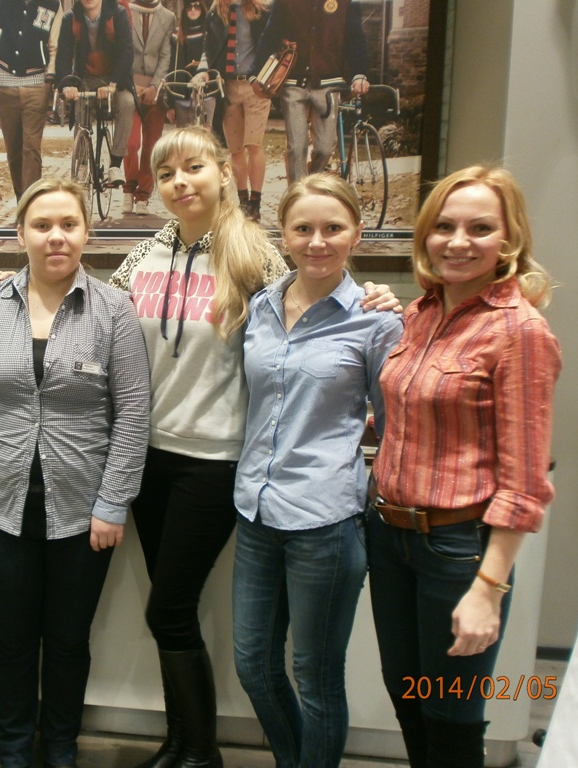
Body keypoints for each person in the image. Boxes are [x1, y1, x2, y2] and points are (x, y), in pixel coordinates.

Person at [0, 126, 396, 768]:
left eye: (193, 167)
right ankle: (180, 742)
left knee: (169, 608)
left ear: (223, 171)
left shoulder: (255, 256)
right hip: (147, 457)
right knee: (171, 609)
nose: (180, 183)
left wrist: (374, 296)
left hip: (215, 460)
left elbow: (315, 294)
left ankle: (199, 750)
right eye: (166, 172)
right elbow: (84, 306)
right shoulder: (144, 256)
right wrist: (4, 287)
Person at [0, 178, 150, 768]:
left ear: (86, 233)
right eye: (41, 225)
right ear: (21, 235)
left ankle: (60, 747)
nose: (55, 236)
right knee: (11, 643)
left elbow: (133, 413)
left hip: (84, 511)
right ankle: (13, 749)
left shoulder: (113, 309)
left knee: (66, 642)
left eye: (68, 224)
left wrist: (113, 503)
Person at [367, 165, 561, 768]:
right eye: (444, 226)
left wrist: (488, 589)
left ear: (509, 239)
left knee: (450, 719)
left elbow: (525, 483)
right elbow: (408, 415)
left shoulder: (520, 331)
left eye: (479, 228)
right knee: (408, 698)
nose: (458, 241)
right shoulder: (421, 313)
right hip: (389, 536)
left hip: (457, 549)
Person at [232, 174, 403, 767]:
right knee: (253, 664)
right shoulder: (261, 307)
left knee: (316, 677)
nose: (317, 241)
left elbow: (395, 426)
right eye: (303, 228)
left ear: (356, 233)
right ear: (283, 234)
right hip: (256, 510)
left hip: (325, 523)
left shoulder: (377, 320)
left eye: (333, 228)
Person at [250, 0, 370, 183]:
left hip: (329, 85)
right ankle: (297, 194)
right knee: (296, 148)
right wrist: (254, 73)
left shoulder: (346, 3)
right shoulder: (285, 3)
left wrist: (359, 73)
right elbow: (269, 36)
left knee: (325, 148)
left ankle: (311, 184)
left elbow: (355, 39)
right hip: (293, 84)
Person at [55, 0, 136, 188]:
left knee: (127, 102)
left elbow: (126, 52)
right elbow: (63, 55)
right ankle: (82, 160)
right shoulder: (70, 19)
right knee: (81, 106)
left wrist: (113, 84)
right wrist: (67, 85)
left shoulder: (118, 14)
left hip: (113, 79)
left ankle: (115, 164)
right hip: (85, 78)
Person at [204, 0, 271, 221]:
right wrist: (206, 72)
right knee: (235, 148)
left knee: (254, 144)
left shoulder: (261, 10)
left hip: (256, 85)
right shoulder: (216, 13)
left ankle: (255, 201)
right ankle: (243, 200)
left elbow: (272, 43)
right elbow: (209, 49)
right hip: (229, 86)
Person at [0, 0, 62, 200]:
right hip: (5, 84)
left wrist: (50, 75)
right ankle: (20, 199)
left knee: (31, 148)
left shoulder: (52, 5)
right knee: (13, 149)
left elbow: (54, 44)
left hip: (36, 83)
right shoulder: (1, 3)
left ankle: (30, 202)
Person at [122, 0, 176, 216]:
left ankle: (143, 194)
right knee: (130, 142)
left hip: (156, 89)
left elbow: (165, 55)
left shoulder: (168, 17)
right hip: (130, 87)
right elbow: (121, 50)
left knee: (151, 146)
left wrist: (155, 86)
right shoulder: (124, 10)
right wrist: (129, 83)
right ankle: (128, 187)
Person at [168, 0, 217, 129]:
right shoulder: (176, 35)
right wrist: (171, 103)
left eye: (197, 6)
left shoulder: (210, 32)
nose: (193, 10)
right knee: (184, 135)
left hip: (207, 92)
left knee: (206, 133)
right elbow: (173, 68)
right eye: (189, 7)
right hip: (182, 94)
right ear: (184, 9)